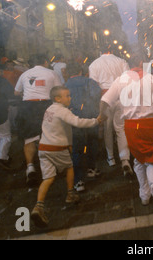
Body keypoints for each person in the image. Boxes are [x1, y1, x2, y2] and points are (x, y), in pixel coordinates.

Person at [99, 53, 153, 214]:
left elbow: (105, 100)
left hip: (132, 127)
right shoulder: (152, 78)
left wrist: (100, 116)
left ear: (128, 65)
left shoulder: (120, 80)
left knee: (139, 160)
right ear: (141, 62)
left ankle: (145, 195)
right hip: (151, 125)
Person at [30, 86, 102, 228]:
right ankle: (70, 194)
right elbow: (77, 122)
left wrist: (69, 143)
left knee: (48, 178)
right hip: (57, 148)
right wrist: (96, 121)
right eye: (67, 96)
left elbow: (64, 129)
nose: (70, 98)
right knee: (69, 167)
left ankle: (38, 206)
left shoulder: (49, 109)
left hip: (44, 148)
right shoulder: (62, 111)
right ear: (57, 98)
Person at [14, 54, 62, 187]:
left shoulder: (25, 74)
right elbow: (59, 91)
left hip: (27, 107)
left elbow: (16, 93)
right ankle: (52, 164)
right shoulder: (51, 73)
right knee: (49, 135)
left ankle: (30, 168)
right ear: (45, 62)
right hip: (45, 106)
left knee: (29, 138)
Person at [89, 50, 132, 175]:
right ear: (112, 51)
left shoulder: (94, 64)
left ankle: (111, 158)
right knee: (121, 129)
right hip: (121, 97)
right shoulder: (121, 61)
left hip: (105, 98)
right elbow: (128, 79)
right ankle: (125, 160)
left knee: (108, 129)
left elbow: (94, 86)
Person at [65, 63, 102, 192]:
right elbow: (97, 95)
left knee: (77, 148)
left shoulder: (66, 85)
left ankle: (78, 180)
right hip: (91, 117)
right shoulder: (90, 81)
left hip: (74, 119)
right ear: (80, 70)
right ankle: (91, 168)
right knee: (92, 142)